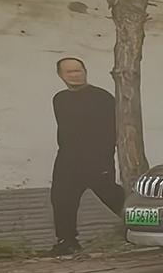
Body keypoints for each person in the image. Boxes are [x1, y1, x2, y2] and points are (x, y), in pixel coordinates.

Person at [47, 57, 123, 256]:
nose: (75, 75)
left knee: (112, 196)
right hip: (68, 158)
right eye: (70, 72)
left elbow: (113, 130)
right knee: (61, 199)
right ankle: (67, 241)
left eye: (78, 70)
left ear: (85, 71)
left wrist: (105, 156)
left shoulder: (102, 97)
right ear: (60, 75)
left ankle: (148, 226)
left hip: (96, 158)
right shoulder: (60, 99)